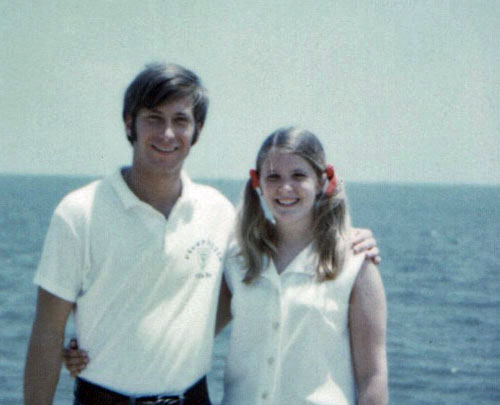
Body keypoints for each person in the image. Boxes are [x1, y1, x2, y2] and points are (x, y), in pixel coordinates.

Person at [25, 63, 380, 405]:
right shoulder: (78, 212)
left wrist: (348, 236)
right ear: (129, 123)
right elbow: (46, 334)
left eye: (180, 120)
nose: (167, 133)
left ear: (197, 131)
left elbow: (235, 292)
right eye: (154, 118)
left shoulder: (218, 213)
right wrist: (98, 346)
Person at [220, 127, 388, 404]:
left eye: (299, 176)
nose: (285, 188)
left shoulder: (355, 262)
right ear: (257, 182)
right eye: (273, 176)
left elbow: (373, 376)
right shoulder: (236, 258)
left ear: (322, 182)